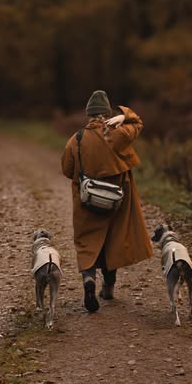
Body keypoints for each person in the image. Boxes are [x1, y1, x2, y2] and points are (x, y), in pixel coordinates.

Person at [61, 90, 153, 313]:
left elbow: (67, 170)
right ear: (107, 113)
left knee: (87, 242)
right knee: (113, 240)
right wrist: (124, 116)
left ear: (89, 115)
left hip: (87, 201)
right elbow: (138, 123)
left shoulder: (76, 139)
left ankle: (89, 280)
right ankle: (108, 287)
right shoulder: (119, 133)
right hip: (117, 201)